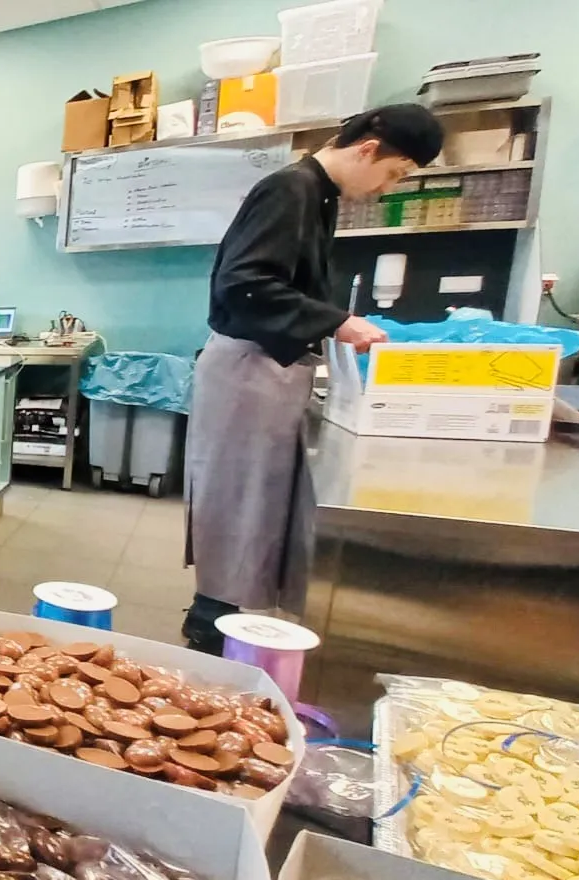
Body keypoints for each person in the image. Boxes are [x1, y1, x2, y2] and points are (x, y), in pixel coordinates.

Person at [183, 104, 442, 652]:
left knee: (253, 497)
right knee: (237, 495)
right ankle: (211, 623)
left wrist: (330, 323)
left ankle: (229, 615)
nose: (384, 187)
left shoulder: (317, 195)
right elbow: (246, 284)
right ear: (369, 148)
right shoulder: (291, 189)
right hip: (248, 368)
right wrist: (338, 322)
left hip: (266, 367)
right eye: (393, 174)